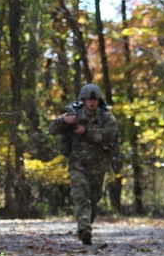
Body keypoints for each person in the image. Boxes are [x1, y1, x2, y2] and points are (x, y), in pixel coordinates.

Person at [48, 83, 118, 245]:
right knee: (81, 197)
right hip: (78, 164)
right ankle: (84, 229)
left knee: (94, 198)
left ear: (99, 101)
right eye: (88, 100)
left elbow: (110, 136)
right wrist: (64, 121)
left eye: (95, 100)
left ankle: (86, 225)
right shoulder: (74, 114)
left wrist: (87, 132)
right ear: (84, 100)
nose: (92, 102)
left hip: (99, 164)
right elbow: (51, 129)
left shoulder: (106, 118)